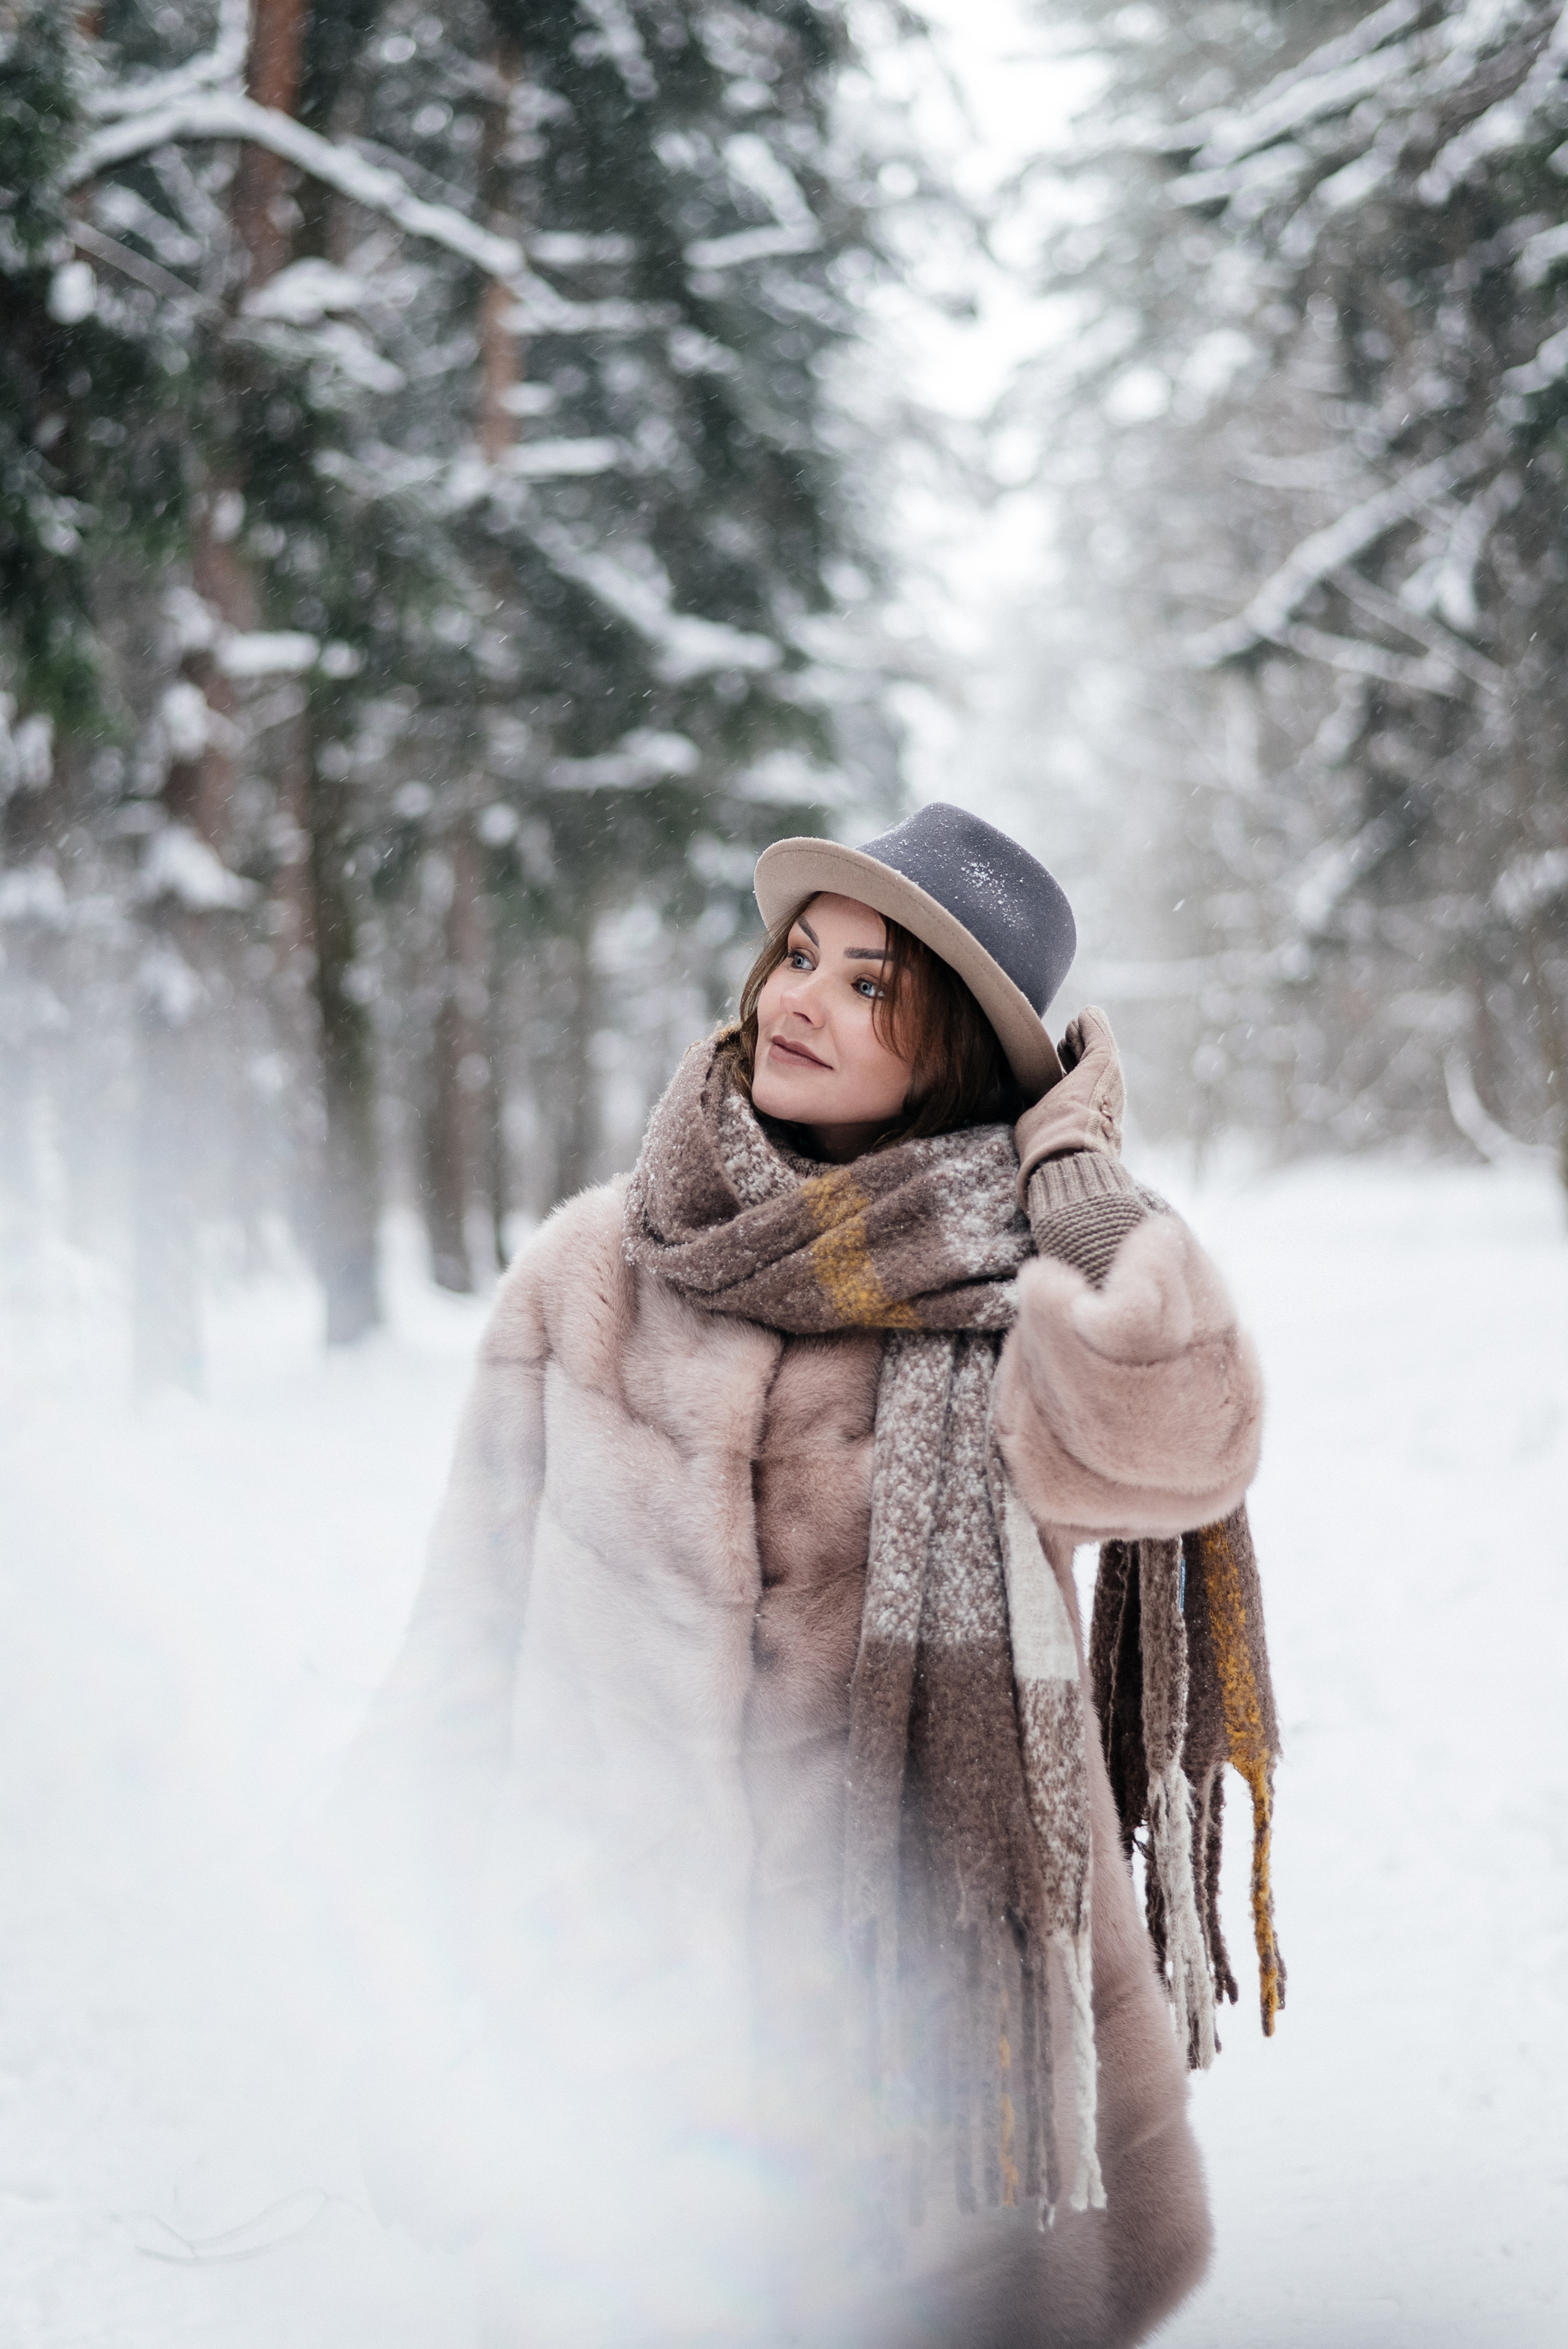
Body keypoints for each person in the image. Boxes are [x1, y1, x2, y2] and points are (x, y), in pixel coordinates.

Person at [342, 804, 1281, 2349]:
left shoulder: (1016, 1314)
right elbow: (460, 1645)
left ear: (957, 1057)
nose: (796, 999)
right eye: (800, 955)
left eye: (868, 986)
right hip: (611, 2026)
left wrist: (1082, 1188)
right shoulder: (590, 1279)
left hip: (923, 2076)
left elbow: (1188, 1448)